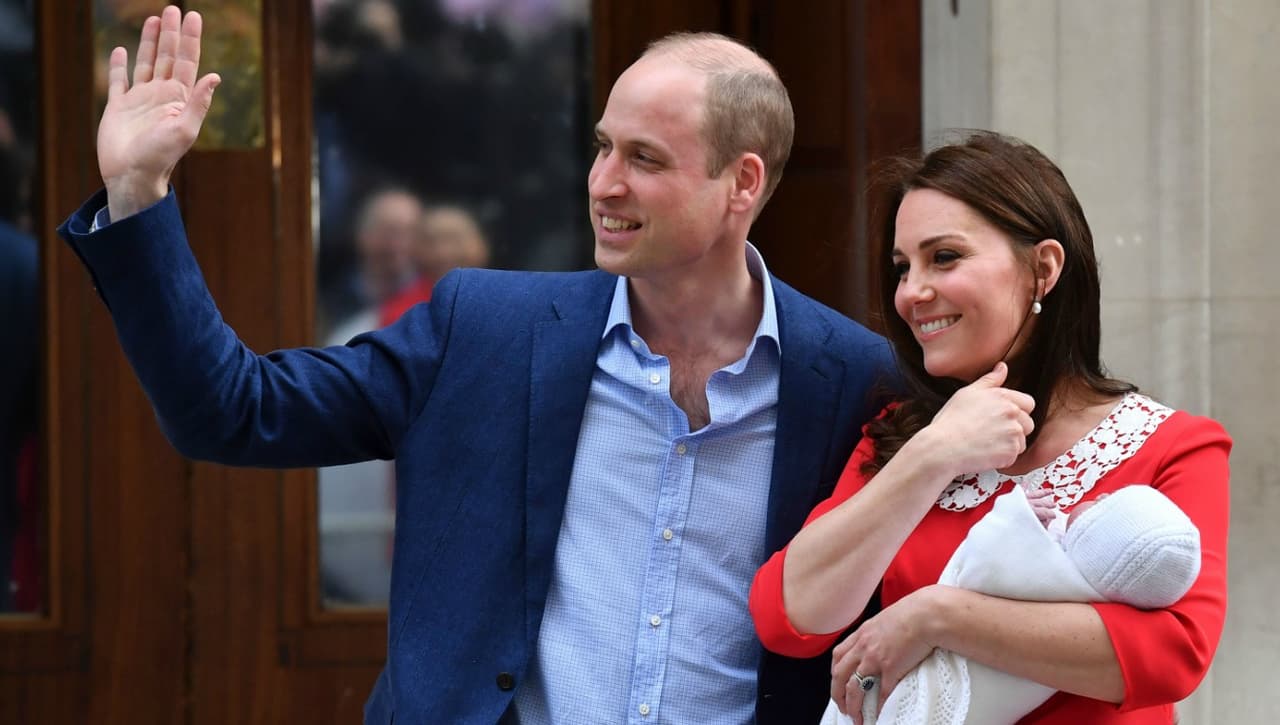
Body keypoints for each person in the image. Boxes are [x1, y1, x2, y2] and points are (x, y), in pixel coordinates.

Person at [59, 7, 895, 724]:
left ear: (741, 182)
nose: (602, 183)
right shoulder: (485, 331)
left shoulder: (853, 377)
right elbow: (232, 408)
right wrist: (139, 194)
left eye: (644, 159)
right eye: (603, 147)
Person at [749, 131, 1231, 724]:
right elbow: (787, 617)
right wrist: (934, 454)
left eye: (944, 257)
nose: (911, 292)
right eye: (903, 267)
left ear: (1044, 268)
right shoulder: (902, 436)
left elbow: (1174, 653)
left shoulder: (1175, 446)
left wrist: (935, 617)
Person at [820, 483, 1203, 725]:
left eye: (1107, 506)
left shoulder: (1046, 572)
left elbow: (983, 560)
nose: (1101, 494)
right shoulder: (1100, 603)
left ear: (1095, 541)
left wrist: (1017, 513)